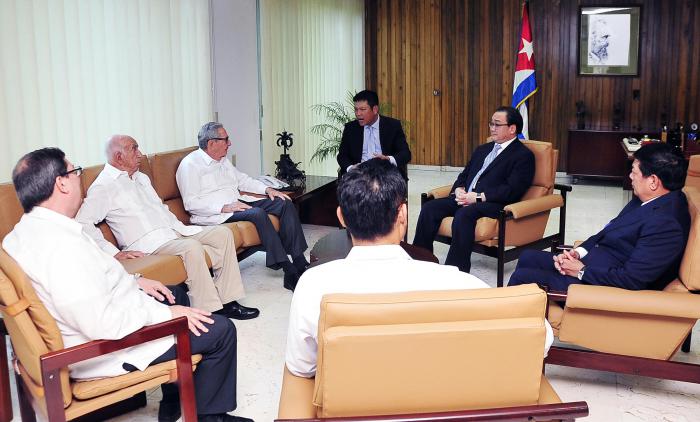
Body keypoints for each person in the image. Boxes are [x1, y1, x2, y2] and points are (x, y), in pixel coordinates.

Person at [3, 147, 252, 422]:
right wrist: (166, 316)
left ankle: (176, 398)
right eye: (75, 171)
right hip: (103, 349)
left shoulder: (23, 234)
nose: (79, 178)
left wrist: (135, 281)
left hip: (100, 320)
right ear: (61, 183)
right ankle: (210, 417)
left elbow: (89, 279)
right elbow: (102, 323)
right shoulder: (61, 248)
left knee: (175, 294)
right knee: (220, 330)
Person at [284, 159, 553, 378]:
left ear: (341, 217)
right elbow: (540, 336)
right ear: (403, 215)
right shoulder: (456, 282)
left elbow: (302, 367)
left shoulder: (314, 285)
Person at [76, 135, 259, 320]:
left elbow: (160, 208)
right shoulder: (103, 186)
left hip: (173, 231)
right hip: (148, 243)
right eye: (134, 149)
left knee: (223, 234)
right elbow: (82, 223)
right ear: (118, 157)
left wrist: (179, 228)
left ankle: (228, 301)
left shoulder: (141, 178)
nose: (140, 154)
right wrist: (113, 252)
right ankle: (209, 308)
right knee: (192, 247)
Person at [509, 143, 690, 292]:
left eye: (634, 172)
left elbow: (632, 279)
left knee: (522, 277)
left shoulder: (666, 224)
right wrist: (577, 252)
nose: (630, 176)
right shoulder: (649, 199)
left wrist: (580, 271)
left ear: (653, 181)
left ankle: (514, 330)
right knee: (527, 257)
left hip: (601, 287)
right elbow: (608, 231)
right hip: (594, 264)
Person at [176, 122, 309, 291]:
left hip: (238, 203)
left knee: (284, 202)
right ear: (211, 143)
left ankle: (299, 261)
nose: (230, 143)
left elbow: (243, 180)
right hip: (217, 213)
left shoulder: (222, 160)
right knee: (257, 214)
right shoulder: (189, 166)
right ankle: (287, 269)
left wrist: (268, 189)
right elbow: (191, 203)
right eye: (226, 139)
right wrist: (224, 207)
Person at [413, 106, 535, 273]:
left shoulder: (523, 155)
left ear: (512, 128)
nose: (492, 128)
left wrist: (478, 197)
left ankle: (456, 271)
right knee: (430, 208)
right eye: (491, 123)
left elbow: (512, 190)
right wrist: (458, 190)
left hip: (494, 204)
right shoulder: (482, 149)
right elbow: (464, 175)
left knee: (464, 215)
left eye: (497, 124)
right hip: (466, 198)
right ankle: (420, 262)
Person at [337, 90, 412, 179]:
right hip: (359, 176)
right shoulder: (350, 128)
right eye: (356, 109)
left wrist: (388, 159)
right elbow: (342, 155)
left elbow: (405, 153)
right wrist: (351, 168)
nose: (358, 114)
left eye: (362, 109)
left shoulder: (392, 126)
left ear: (375, 109)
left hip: (386, 175)